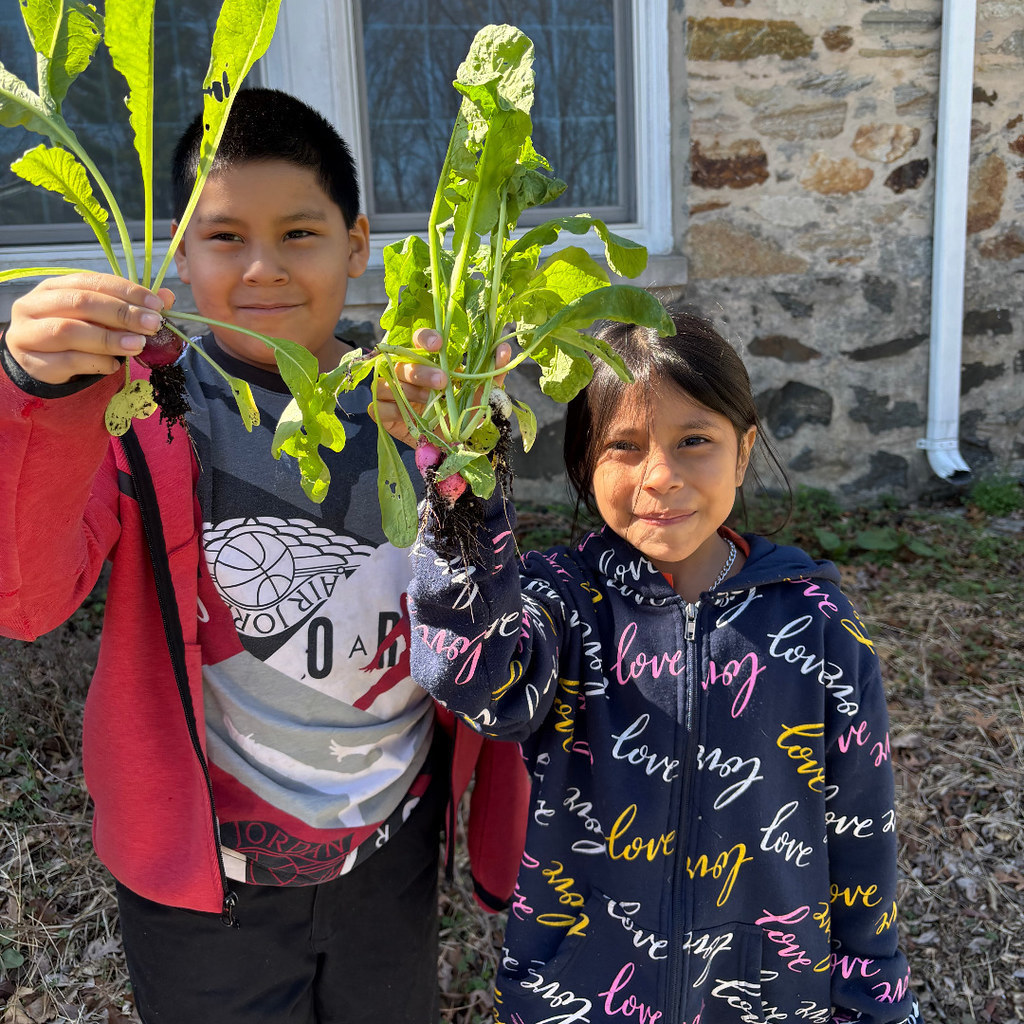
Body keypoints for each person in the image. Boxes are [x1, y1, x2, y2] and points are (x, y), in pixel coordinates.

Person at [0, 87, 527, 1024]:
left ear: (356, 243)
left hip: (390, 858)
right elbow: (26, 599)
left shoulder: (418, 407)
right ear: (178, 251)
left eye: (299, 234)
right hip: (207, 892)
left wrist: (464, 461)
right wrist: (33, 395)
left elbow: (487, 621)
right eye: (224, 237)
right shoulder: (138, 413)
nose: (261, 270)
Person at [406, 308, 921, 1023]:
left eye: (694, 441)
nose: (660, 476)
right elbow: (475, 676)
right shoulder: (560, 605)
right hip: (580, 997)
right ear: (585, 460)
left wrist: (877, 1002)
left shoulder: (817, 623)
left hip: (768, 998)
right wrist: (463, 491)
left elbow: (861, 831)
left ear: (743, 452)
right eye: (624, 444)